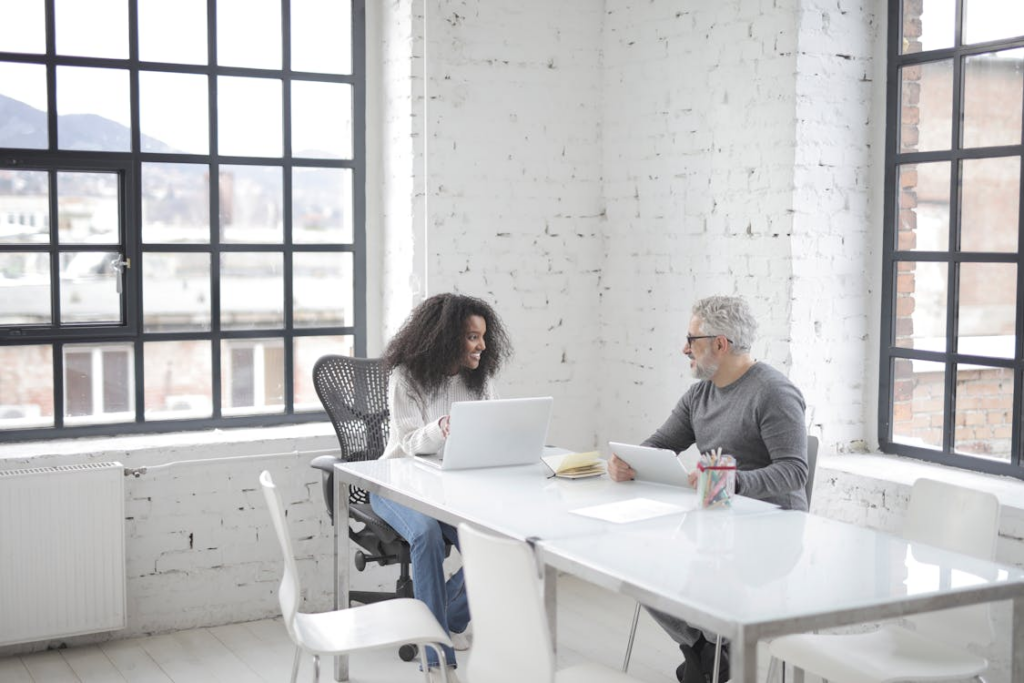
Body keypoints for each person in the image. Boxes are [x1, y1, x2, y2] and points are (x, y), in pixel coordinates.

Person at [608, 294, 807, 683]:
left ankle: (710, 652)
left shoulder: (773, 393)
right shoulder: (701, 394)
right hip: (715, 521)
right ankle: (703, 649)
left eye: (692, 339)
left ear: (720, 343)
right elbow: (662, 443)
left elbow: (794, 472)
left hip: (771, 528)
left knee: (676, 562)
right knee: (631, 559)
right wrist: (629, 461)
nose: (685, 348)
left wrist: (732, 483)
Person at [371, 292, 511, 682]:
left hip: (448, 489)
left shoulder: (479, 379)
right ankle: (435, 656)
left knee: (497, 546)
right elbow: (409, 440)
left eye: (483, 336)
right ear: (447, 338)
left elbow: (495, 425)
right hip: (394, 484)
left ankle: (445, 615)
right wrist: (441, 428)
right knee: (428, 535)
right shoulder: (406, 377)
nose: (482, 345)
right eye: (471, 337)